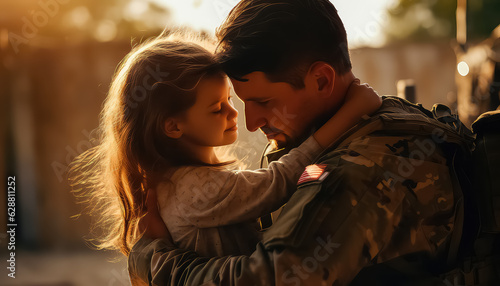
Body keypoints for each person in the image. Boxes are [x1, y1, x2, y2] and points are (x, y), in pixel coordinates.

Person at [127, 0, 475, 285]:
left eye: (263, 102)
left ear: (321, 80)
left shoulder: (355, 172)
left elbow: (269, 280)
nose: (250, 121)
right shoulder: (363, 123)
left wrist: (154, 257)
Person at [70, 31, 381, 259]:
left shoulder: (177, 181)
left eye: (229, 99)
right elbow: (280, 181)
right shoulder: (194, 188)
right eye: (217, 108)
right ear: (173, 126)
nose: (236, 114)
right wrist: (351, 113)